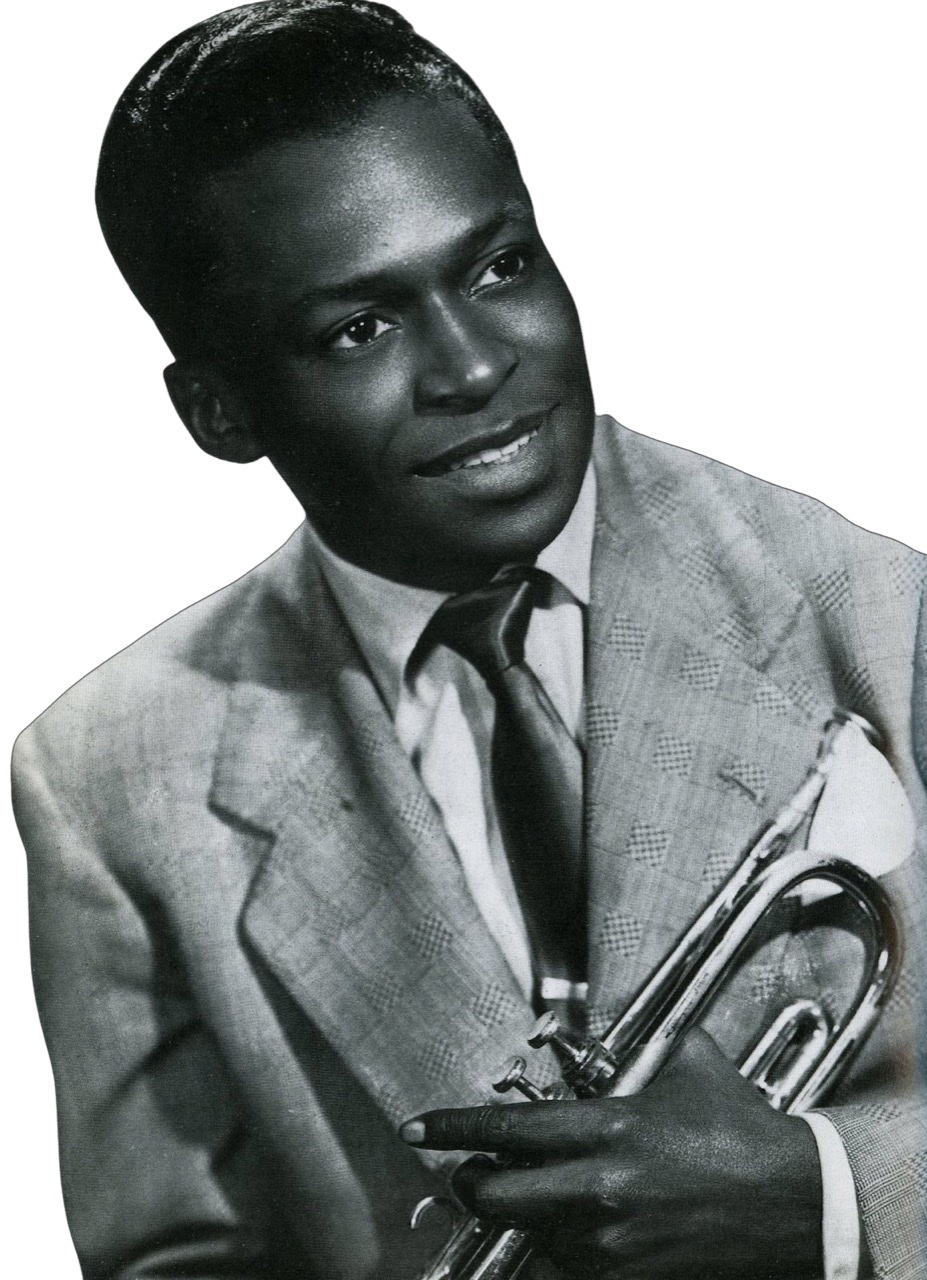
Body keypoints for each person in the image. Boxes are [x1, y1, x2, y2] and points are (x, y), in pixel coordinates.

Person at [10, 2, 925, 1278]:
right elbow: (176, 1253)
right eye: (359, 329)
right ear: (216, 410)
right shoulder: (105, 771)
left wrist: (831, 1198)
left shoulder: (884, 609)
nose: (474, 364)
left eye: (500, 266)